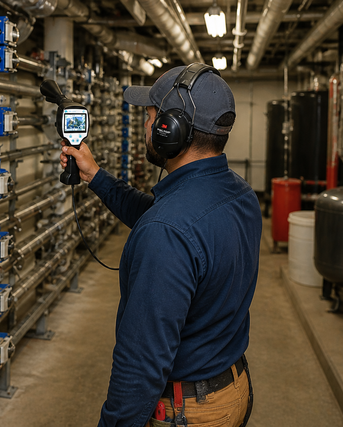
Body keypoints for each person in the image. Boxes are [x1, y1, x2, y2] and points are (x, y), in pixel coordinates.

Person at [59, 64, 262, 427]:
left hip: (188, 411)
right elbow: (161, 216)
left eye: (150, 116)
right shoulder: (240, 194)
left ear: (171, 130)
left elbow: (140, 365)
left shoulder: (166, 232)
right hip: (233, 388)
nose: (144, 126)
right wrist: (96, 176)